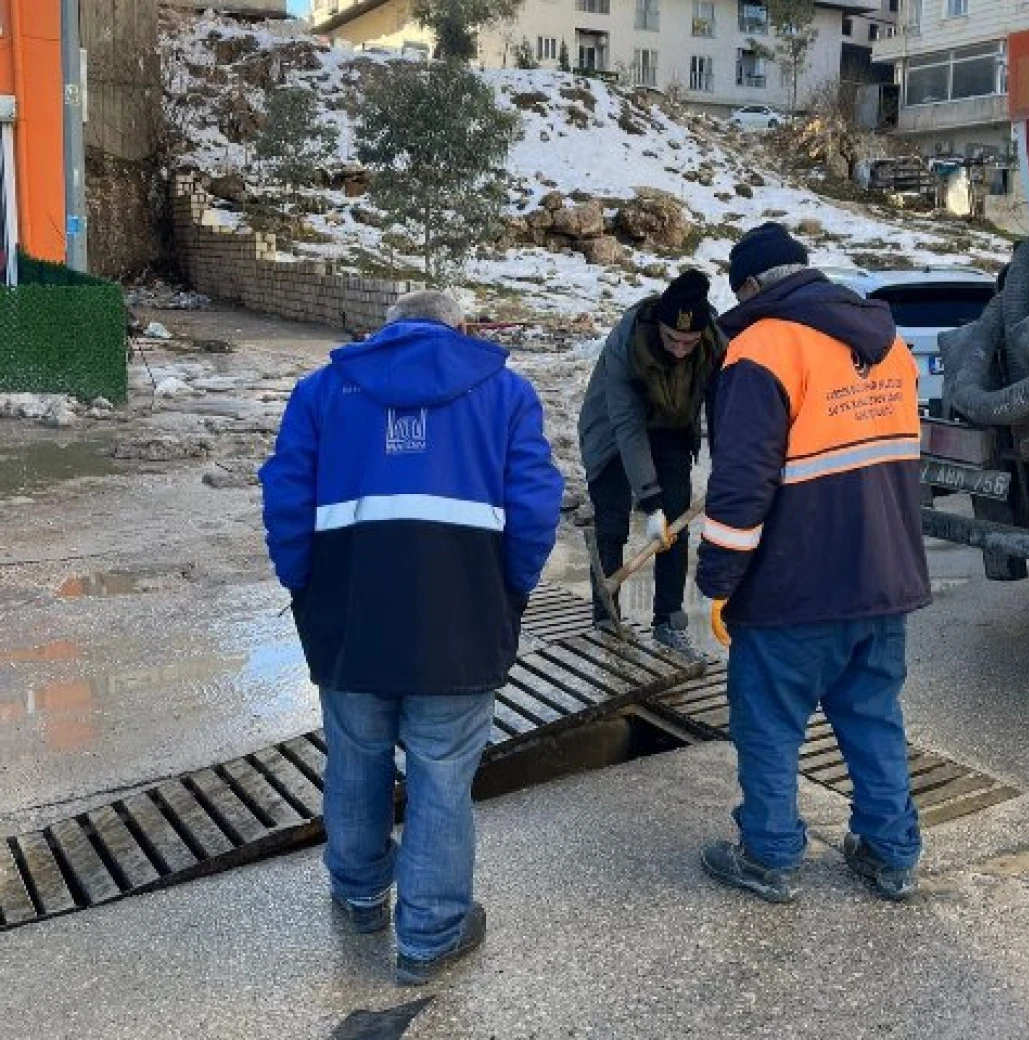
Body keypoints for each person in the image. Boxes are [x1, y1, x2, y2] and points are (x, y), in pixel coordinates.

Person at [260, 290, 563, 984]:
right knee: (443, 774)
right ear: (458, 329)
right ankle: (431, 933)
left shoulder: (322, 391)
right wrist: (507, 591)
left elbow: (286, 498)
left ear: (386, 332)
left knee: (355, 758)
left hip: (350, 615)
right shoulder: (506, 394)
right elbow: (535, 508)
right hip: (460, 619)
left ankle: (361, 895)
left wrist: (305, 588)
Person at [695, 223, 931, 903]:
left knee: (769, 723)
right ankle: (891, 853)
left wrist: (718, 580)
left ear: (748, 286)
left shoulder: (762, 346)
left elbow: (742, 483)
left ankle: (769, 856)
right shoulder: (890, 346)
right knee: (872, 715)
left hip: (794, 586)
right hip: (883, 578)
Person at [577, 269, 726, 658]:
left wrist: (728, 463)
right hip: (612, 430)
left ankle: (668, 622)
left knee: (675, 525)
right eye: (672, 338)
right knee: (611, 522)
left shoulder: (714, 343)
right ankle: (606, 620)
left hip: (670, 428)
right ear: (659, 324)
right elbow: (627, 428)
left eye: (689, 342)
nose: (680, 349)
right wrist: (649, 502)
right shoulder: (628, 342)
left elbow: (723, 405)